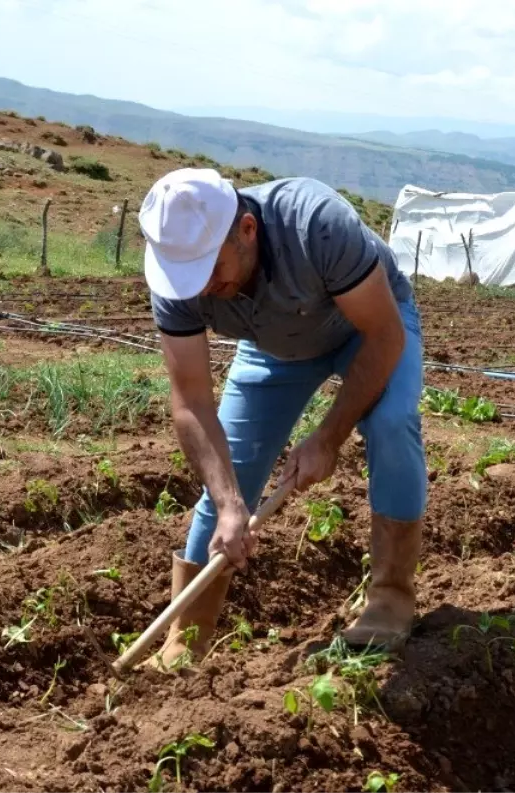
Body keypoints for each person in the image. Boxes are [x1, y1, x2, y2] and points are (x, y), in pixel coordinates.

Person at [137, 167, 426, 670]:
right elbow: (191, 403)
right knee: (231, 477)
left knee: (391, 422)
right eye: (190, 276)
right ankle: (186, 638)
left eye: (213, 268)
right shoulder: (176, 274)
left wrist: (329, 438)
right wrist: (231, 504)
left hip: (365, 330)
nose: (202, 286)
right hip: (275, 348)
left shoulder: (316, 224)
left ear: (247, 229)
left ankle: (391, 597)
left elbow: (384, 337)